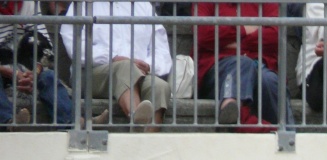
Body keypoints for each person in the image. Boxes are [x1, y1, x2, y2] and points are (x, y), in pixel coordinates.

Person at [61, 1, 172, 131]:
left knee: (160, 86)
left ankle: (147, 142)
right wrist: (113, 57)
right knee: (125, 67)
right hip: (91, 74)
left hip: (139, 72)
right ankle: (136, 119)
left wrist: (147, 65)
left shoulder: (144, 5)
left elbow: (161, 51)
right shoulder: (83, 4)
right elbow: (75, 45)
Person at [0, 1, 107, 128]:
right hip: (4, 71)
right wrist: (13, 74)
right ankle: (9, 122)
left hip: (23, 70)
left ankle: (74, 123)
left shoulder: (27, 3)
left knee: (48, 76)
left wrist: (34, 74)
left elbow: (45, 46)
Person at [195, 2, 295, 131]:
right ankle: (239, 120)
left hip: (259, 64)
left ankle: (285, 135)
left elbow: (275, 35)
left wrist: (236, 42)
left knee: (269, 80)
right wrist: (244, 29)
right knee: (242, 63)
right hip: (219, 68)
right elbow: (203, 34)